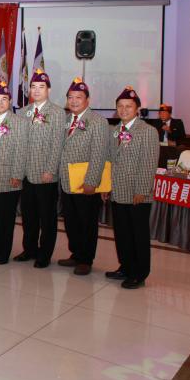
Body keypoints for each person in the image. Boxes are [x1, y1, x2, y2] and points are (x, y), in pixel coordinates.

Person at [106, 87, 158, 289]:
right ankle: (126, 267)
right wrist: (106, 186)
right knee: (122, 233)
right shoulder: (114, 131)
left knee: (138, 234)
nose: (124, 110)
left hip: (137, 193)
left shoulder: (147, 131)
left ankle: (139, 273)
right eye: (120, 106)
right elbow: (110, 161)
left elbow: (148, 163)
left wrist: (142, 190)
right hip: (118, 190)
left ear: (137, 109)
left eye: (128, 106)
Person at [56, 78, 109, 276]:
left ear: (87, 100)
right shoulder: (65, 120)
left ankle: (86, 259)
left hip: (85, 182)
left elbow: (99, 153)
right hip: (67, 181)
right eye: (71, 97)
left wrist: (91, 181)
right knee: (71, 221)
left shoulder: (98, 121)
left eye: (78, 97)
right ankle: (76, 254)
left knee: (87, 222)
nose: (74, 101)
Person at [15, 69, 66, 268]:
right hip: (26, 174)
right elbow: (19, 144)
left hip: (46, 175)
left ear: (49, 90)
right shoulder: (23, 112)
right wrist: (18, 172)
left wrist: (50, 170)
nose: (36, 90)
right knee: (28, 217)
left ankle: (44, 254)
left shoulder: (57, 112)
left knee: (47, 219)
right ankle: (29, 249)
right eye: (33, 87)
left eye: (41, 87)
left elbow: (57, 144)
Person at [0, 82, 27, 265]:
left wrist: (17, 174)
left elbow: (21, 150)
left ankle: (4, 251)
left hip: (9, 177)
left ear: (10, 101)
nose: (0, 102)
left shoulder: (19, 122)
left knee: (6, 218)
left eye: (4, 99)